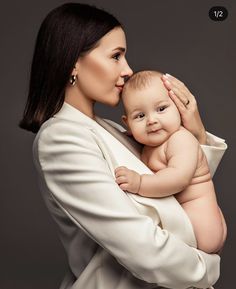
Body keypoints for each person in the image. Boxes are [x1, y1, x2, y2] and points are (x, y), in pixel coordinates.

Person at [19, 3, 227, 289]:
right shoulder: (60, 139)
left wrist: (197, 132)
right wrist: (207, 268)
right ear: (73, 63)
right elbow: (142, 247)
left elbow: (177, 196)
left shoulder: (114, 130)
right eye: (116, 56)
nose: (128, 70)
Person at [115, 70, 227, 254]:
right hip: (188, 218)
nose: (152, 120)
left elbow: (178, 178)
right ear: (127, 124)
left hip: (201, 223)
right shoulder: (149, 143)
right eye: (140, 116)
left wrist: (140, 182)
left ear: (178, 107)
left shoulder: (181, 140)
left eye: (161, 109)